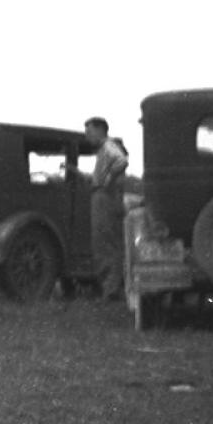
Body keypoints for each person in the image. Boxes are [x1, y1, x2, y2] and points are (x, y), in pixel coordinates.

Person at [85, 116, 131, 300]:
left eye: (89, 132)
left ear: (100, 130)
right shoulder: (103, 150)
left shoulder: (108, 146)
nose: (87, 136)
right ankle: (109, 288)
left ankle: (112, 290)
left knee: (106, 243)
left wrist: (108, 181)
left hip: (106, 197)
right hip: (102, 195)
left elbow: (121, 161)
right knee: (103, 242)